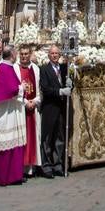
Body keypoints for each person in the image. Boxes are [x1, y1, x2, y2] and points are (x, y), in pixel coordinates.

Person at [0, 45, 26, 185]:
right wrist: (22, 88)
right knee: (5, 144)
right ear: (13, 55)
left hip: (7, 110)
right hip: (5, 113)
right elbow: (10, 89)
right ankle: (4, 176)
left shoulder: (6, 68)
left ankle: (11, 174)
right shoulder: (5, 68)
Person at [39, 44, 70, 177]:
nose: (54, 55)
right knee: (47, 138)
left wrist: (70, 84)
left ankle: (57, 164)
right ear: (48, 55)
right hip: (49, 108)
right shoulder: (44, 69)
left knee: (59, 137)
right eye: (52, 53)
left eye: (56, 53)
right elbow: (45, 89)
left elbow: (68, 86)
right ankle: (46, 166)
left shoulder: (64, 69)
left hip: (61, 108)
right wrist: (60, 91)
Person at [14, 44, 42, 177]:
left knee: (33, 137)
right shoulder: (15, 69)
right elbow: (14, 88)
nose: (24, 56)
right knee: (21, 136)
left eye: (26, 54)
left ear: (30, 54)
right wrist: (25, 102)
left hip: (33, 107)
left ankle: (31, 167)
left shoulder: (36, 69)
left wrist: (35, 101)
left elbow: (40, 89)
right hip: (20, 107)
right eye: (22, 54)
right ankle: (20, 166)